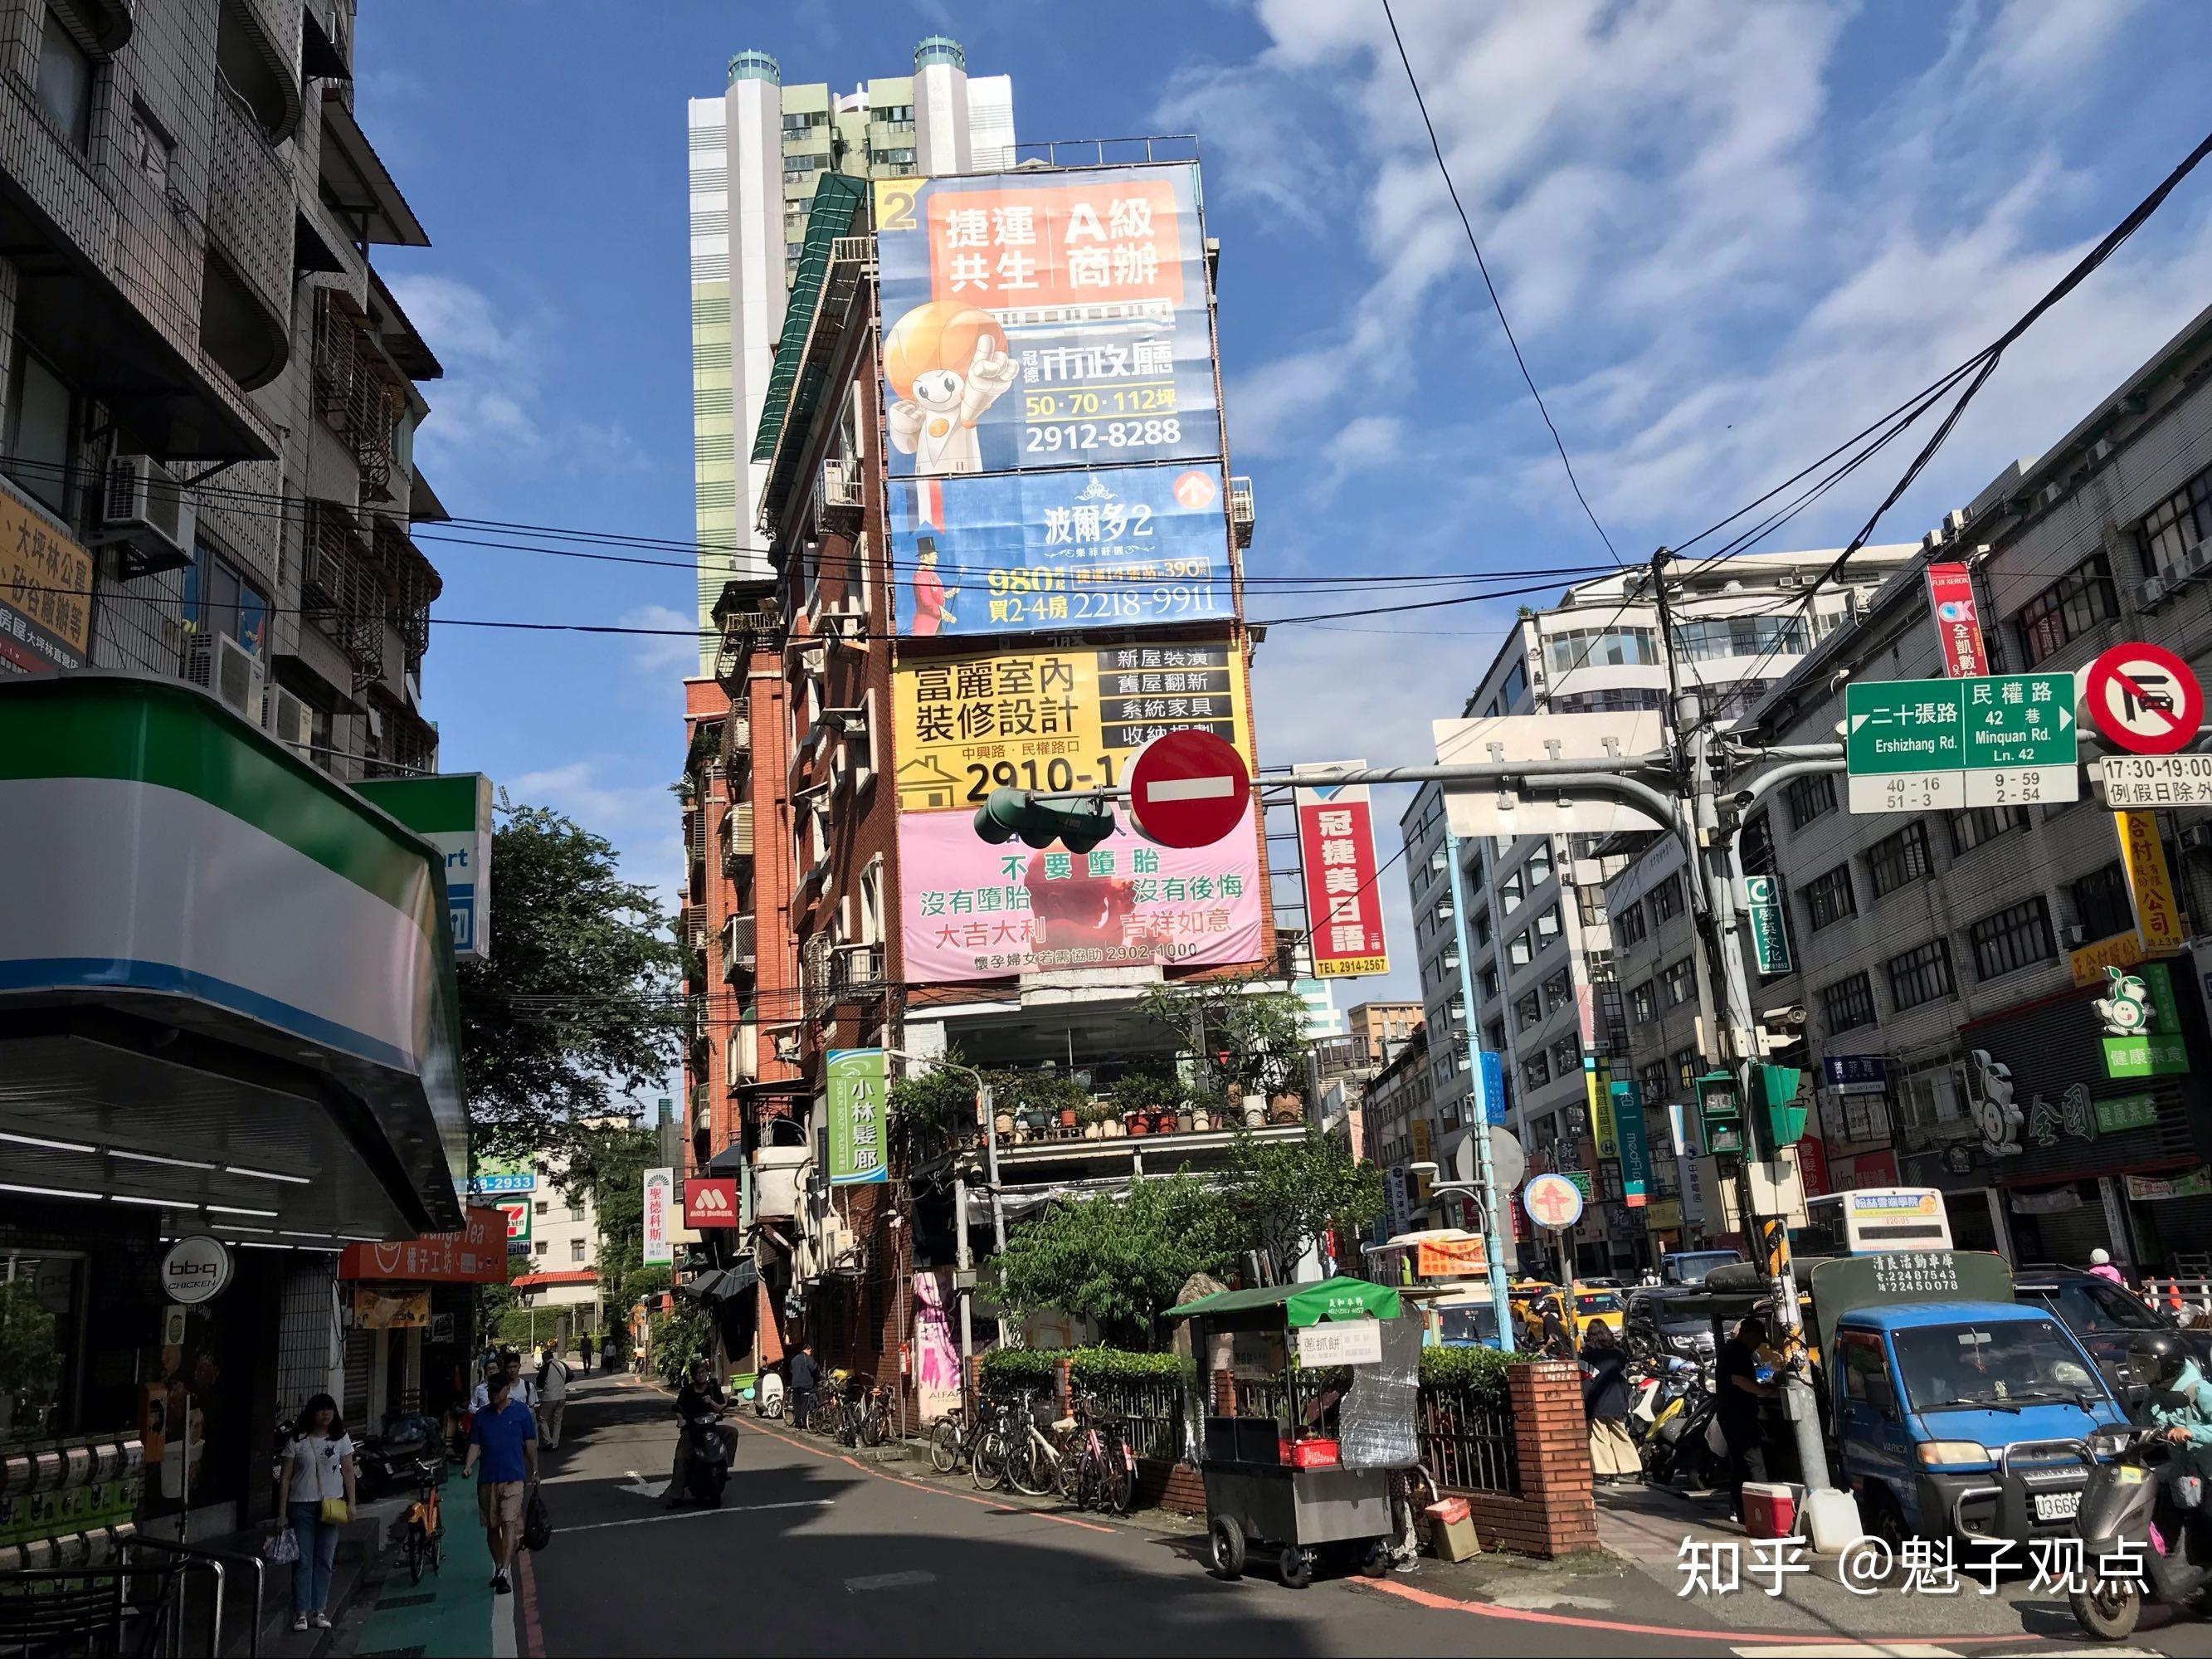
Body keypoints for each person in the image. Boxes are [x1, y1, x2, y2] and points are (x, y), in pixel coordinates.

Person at [275, 1393, 356, 1633]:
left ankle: (319, 1610)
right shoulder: (297, 1441)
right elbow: (285, 1479)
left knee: (324, 1559)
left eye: (329, 1409)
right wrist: (281, 1513)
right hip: (301, 1506)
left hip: (331, 1507)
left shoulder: (341, 1439)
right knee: (303, 1560)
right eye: (321, 1410)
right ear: (312, 1413)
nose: (326, 1414)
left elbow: (349, 1471)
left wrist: (352, 1503)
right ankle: (301, 1612)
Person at [463, 1371, 538, 1595]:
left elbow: (530, 1442)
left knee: (509, 1523)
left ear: (507, 1390)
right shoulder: (482, 1417)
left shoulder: (521, 1412)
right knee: (493, 1527)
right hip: (487, 1479)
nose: (493, 1394)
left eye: (497, 1390)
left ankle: (505, 1571)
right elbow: (475, 1445)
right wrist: (468, 1466)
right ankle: (498, 1567)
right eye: (490, 1390)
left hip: (514, 1478)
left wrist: (534, 1470)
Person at [1717, 1314, 1777, 1523]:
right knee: (1755, 1462)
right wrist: (1765, 1392)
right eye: (1757, 1340)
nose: (1757, 1346)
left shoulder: (1731, 1351)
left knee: (1740, 1463)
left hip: (1731, 1414)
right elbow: (1738, 1380)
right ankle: (1767, 1511)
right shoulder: (1736, 1353)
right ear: (1747, 1335)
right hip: (1738, 1415)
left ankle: (1739, 1509)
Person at [668, 1359, 735, 1506]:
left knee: (732, 1432)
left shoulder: (713, 1389)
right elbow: (678, 1408)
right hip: (692, 1430)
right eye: (697, 1373)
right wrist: (681, 1420)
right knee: (681, 1457)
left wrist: (711, 1402)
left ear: (707, 1373)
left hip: (711, 1428)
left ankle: (725, 1466)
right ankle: (676, 1495)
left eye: (703, 1372)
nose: (700, 1375)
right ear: (693, 1375)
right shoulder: (687, 1391)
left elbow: (721, 1409)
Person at [1581, 1324, 1638, 1485]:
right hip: (1618, 1400)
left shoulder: (1588, 1355)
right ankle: (1633, 1467)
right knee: (1621, 1434)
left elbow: (1586, 1380)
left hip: (1596, 1401)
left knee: (1600, 1438)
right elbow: (1625, 1378)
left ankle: (1609, 1472)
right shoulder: (1619, 1354)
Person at [471, 1349, 537, 1415]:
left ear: (519, 1366)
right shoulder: (497, 1387)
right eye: (509, 1367)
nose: (512, 1370)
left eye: (515, 1367)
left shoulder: (528, 1386)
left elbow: (532, 1411)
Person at [537, 1342, 573, 1450]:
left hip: (549, 1396)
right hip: (562, 1396)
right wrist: (562, 1384)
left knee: (542, 1419)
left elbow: (539, 1382)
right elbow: (571, 1375)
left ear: (544, 1359)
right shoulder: (561, 1364)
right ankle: (555, 1443)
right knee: (557, 1420)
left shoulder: (545, 1367)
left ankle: (548, 1441)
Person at [787, 1341, 821, 1430]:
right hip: (805, 1385)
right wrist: (817, 1379)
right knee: (805, 1406)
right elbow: (814, 1369)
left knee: (797, 1406)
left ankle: (798, 1424)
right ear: (809, 1350)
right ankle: (804, 1423)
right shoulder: (809, 1359)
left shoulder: (794, 1359)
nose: (810, 1353)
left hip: (795, 1385)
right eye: (810, 1351)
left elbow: (791, 1371)